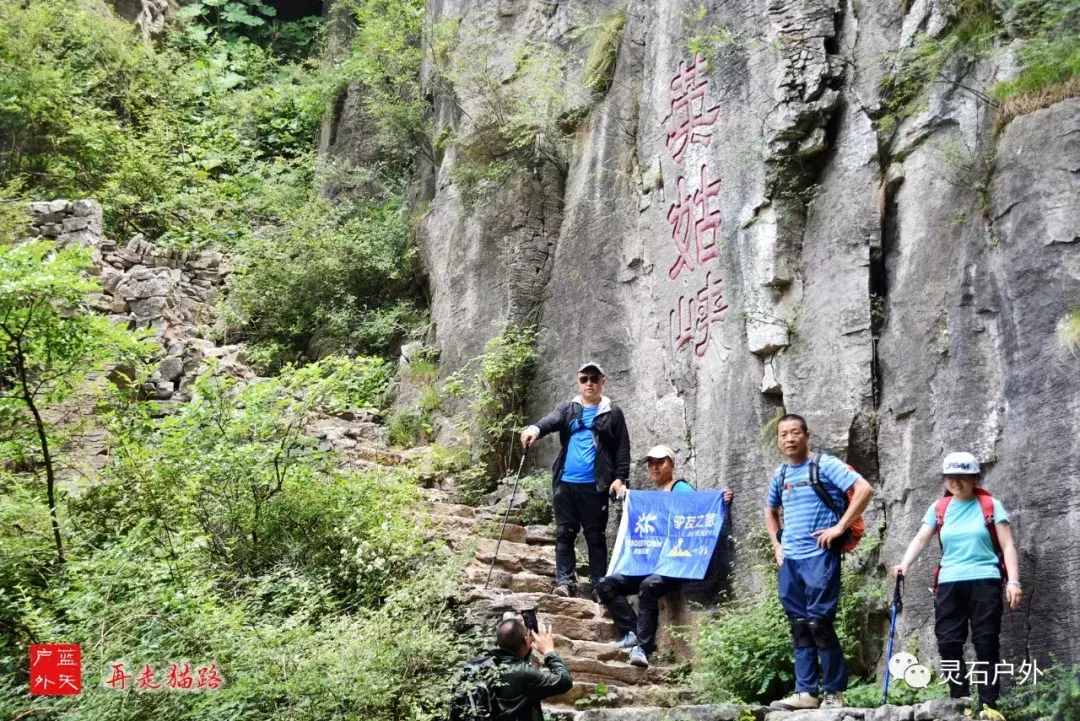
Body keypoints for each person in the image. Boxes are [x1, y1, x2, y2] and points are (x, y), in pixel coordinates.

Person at [892, 451, 1021, 707]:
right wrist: (904, 564)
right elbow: (921, 538)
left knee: (986, 642)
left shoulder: (990, 506)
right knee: (948, 642)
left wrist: (1014, 582)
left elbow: (1007, 545)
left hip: (986, 580)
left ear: (975, 478)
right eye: (950, 477)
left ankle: (988, 705)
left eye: (962, 477)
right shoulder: (939, 508)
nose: (956, 483)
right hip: (950, 582)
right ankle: (958, 701)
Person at [764, 414, 874, 710]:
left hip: (820, 556)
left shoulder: (824, 465)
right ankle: (806, 693)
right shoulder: (782, 474)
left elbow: (864, 489)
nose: (789, 438)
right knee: (799, 625)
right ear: (778, 440)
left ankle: (834, 692)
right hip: (791, 560)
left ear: (806, 435)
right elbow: (770, 510)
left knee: (819, 623)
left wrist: (839, 527)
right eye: (784, 434)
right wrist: (777, 545)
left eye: (795, 432)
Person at [595, 444, 733, 668]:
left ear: (672, 464)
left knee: (649, 587)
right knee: (606, 585)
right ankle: (632, 631)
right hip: (649, 564)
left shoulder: (680, 489)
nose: (655, 467)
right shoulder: (652, 498)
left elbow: (697, 509)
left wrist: (720, 498)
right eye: (651, 463)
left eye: (661, 462)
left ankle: (644, 647)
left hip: (674, 565)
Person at [520, 362, 630, 597]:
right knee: (564, 533)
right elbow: (550, 421)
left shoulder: (613, 412)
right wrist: (534, 430)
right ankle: (564, 583)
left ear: (603, 381)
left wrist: (620, 478)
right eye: (584, 379)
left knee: (595, 536)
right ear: (579, 382)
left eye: (594, 378)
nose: (589, 383)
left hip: (595, 485)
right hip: (566, 483)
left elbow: (622, 449)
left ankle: (599, 586)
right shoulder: (568, 408)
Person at [489, 616, 573, 721]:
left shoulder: (487, 665)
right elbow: (564, 681)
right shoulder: (524, 674)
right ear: (525, 640)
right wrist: (549, 651)